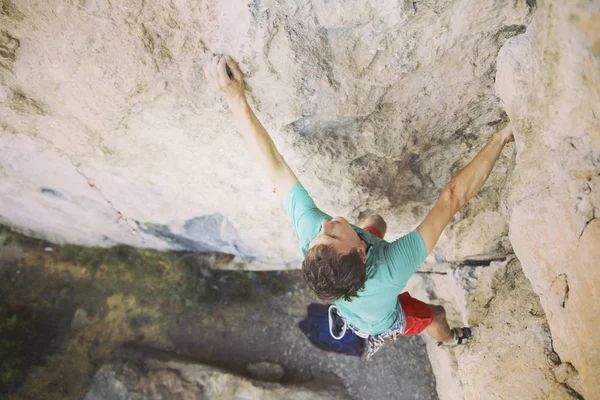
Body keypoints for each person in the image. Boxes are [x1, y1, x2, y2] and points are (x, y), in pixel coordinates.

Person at [204, 54, 514, 357]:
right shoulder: (392, 267)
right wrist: (501, 137)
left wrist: (235, 99)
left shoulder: (314, 239)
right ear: (362, 253)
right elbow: (452, 198)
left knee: (376, 221)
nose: (325, 225)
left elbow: (275, 168)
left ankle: (364, 265)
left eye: (321, 235)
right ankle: (449, 339)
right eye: (334, 235)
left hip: (354, 302)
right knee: (437, 313)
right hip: (385, 320)